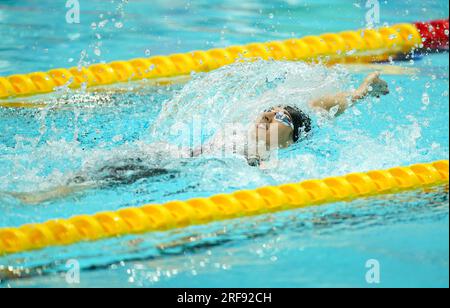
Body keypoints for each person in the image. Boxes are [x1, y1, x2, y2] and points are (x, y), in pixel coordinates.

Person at [4, 72, 389, 205]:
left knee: (98, 179)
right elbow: (312, 106)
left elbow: (311, 113)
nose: (271, 114)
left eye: (281, 118)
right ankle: (43, 190)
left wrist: (352, 99)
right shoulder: (253, 131)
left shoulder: (265, 157)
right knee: (92, 168)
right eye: (271, 110)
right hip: (167, 154)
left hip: (173, 169)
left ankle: (39, 196)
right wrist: (358, 93)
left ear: (290, 138)